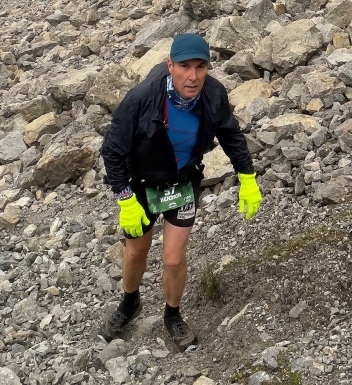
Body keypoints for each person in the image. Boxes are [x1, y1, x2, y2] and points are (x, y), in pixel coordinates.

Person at [98, 32, 262, 351]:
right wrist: (125, 199)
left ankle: (172, 314)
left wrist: (247, 176)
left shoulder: (213, 94)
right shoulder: (142, 98)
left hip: (182, 180)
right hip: (142, 182)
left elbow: (230, 135)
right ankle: (129, 303)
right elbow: (112, 150)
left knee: (173, 259)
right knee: (136, 250)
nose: (193, 76)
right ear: (169, 65)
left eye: (201, 67)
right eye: (185, 66)